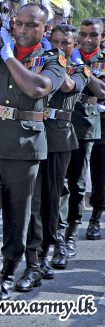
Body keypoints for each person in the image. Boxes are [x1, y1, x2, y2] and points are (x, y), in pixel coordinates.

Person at [0, 3, 66, 316]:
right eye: (17, 23)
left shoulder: (52, 60)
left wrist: (6, 56)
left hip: (24, 150)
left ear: (45, 29)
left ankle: (9, 271)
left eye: (31, 25)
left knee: (16, 222)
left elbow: (37, 88)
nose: (22, 30)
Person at [15, 24, 88, 292]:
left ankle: (50, 248)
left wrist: (57, 61)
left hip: (59, 140)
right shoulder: (39, 63)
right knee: (31, 200)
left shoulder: (79, 69)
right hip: (34, 134)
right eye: (54, 41)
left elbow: (68, 86)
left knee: (52, 198)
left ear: (73, 45)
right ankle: (32, 258)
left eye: (65, 43)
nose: (59, 46)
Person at [59, 18, 105, 262]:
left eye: (93, 35)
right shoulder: (66, 52)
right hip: (65, 121)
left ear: (101, 37)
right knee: (63, 179)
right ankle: (58, 232)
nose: (87, 40)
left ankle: (91, 220)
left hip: (91, 123)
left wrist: (82, 68)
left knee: (92, 176)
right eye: (84, 35)